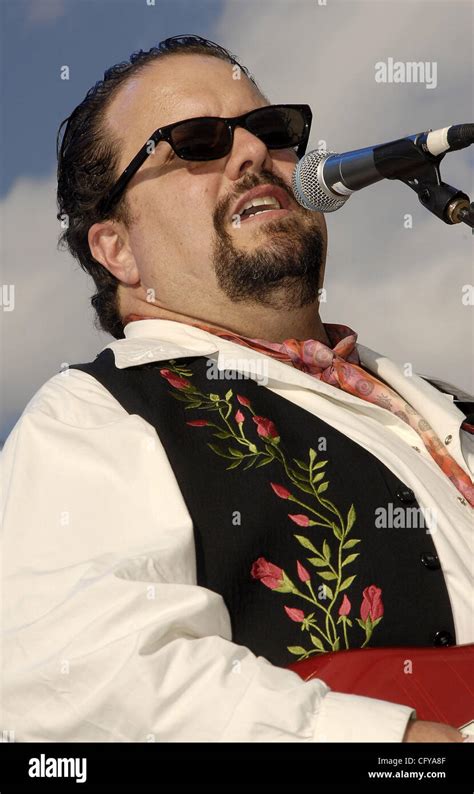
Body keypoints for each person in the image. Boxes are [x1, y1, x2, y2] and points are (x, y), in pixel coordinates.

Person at [1, 35, 472, 744]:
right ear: (117, 249)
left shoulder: (451, 407)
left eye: (273, 130)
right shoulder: (93, 417)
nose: (253, 153)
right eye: (196, 142)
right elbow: (81, 682)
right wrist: (399, 746)